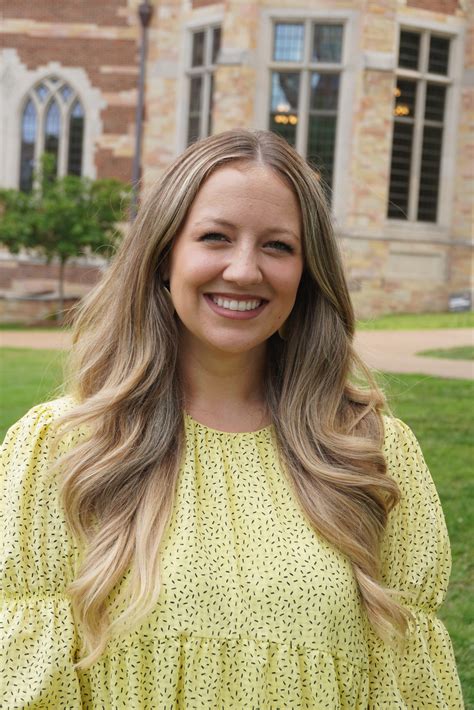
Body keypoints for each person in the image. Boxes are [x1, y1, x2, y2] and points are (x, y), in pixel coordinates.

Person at [0, 129, 463, 708]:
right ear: (165, 255)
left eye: (277, 246)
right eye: (215, 237)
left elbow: (407, 682)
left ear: (307, 271)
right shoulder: (62, 446)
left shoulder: (371, 452)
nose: (244, 271)